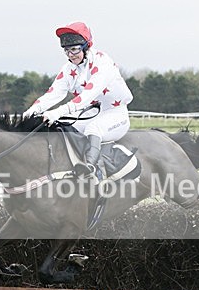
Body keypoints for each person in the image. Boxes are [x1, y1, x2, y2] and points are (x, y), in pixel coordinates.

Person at [23, 22, 133, 177]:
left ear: (86, 46)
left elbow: (88, 95)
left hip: (116, 114)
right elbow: (54, 93)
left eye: (74, 49)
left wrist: (58, 111)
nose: (70, 55)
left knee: (93, 129)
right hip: (92, 113)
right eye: (66, 50)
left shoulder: (102, 62)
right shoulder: (69, 69)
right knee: (62, 127)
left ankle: (90, 169)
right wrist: (31, 111)